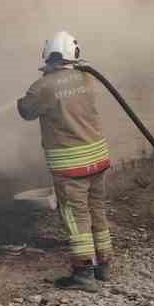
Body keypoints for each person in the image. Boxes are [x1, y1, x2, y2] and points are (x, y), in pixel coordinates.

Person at [17, 31, 113, 289]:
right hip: (98, 158)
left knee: (75, 215)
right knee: (97, 210)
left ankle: (83, 273)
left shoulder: (43, 86)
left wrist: (27, 96)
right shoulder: (88, 78)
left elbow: (26, 111)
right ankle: (104, 265)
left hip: (71, 165)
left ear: (48, 54)